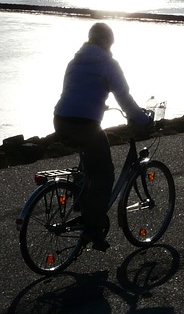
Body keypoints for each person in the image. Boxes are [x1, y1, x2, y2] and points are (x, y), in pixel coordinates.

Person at [53, 22, 151, 250]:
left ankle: (81, 198)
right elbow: (124, 98)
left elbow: (74, 92)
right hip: (86, 124)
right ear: (108, 43)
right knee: (105, 174)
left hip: (61, 119)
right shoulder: (109, 64)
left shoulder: (74, 60)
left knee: (89, 167)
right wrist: (142, 120)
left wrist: (97, 102)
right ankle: (93, 229)